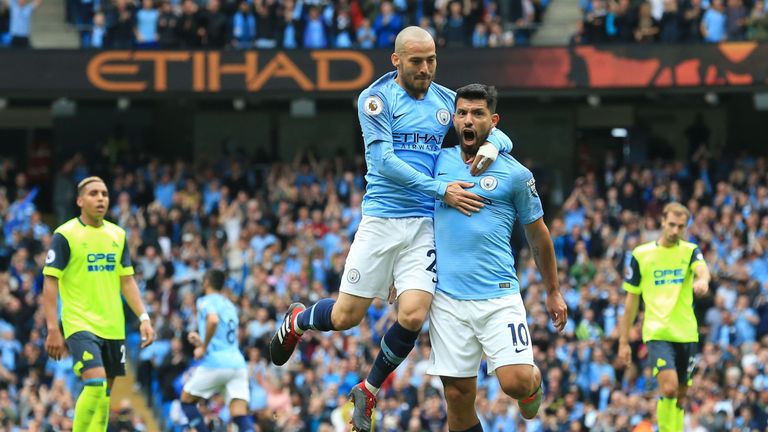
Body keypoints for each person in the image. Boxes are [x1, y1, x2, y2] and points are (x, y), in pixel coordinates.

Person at [269, 26, 513, 432]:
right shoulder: (376, 99)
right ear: (396, 60)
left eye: (431, 60)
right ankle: (298, 319)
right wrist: (442, 188)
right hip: (381, 220)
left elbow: (489, 127)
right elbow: (384, 165)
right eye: (417, 61)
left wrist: (492, 146)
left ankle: (368, 388)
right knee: (347, 316)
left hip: (424, 225)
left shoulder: (446, 101)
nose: (426, 68)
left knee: (414, 315)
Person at [427, 83, 568, 431]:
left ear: (494, 120)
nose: (468, 120)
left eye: (477, 113)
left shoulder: (516, 175)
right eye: (462, 113)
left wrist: (552, 290)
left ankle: (533, 385)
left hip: (498, 296)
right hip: (446, 299)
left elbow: (538, 235)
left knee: (515, 382)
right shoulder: (436, 163)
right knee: (458, 398)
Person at [42, 176, 155, 432]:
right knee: (94, 384)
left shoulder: (118, 235)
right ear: (80, 200)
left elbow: (127, 281)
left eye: (104, 193)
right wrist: (52, 328)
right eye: (93, 194)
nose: (101, 198)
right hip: (80, 323)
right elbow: (50, 283)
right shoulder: (65, 235)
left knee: (105, 396)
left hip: (114, 325)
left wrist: (144, 318)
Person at [618, 202, 710, 432]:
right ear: (662, 222)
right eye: (671, 224)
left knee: (680, 395)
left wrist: (703, 281)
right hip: (657, 331)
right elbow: (631, 300)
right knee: (668, 388)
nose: (675, 230)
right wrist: (623, 340)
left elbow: (702, 269)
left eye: (681, 226)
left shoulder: (690, 251)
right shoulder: (641, 254)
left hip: (686, 331)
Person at [179, 269, 254, 432]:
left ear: (206, 282)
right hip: (237, 364)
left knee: (186, 400)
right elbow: (224, 338)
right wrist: (201, 341)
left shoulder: (205, 301)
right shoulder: (229, 305)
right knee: (240, 415)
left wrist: (203, 347)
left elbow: (213, 320)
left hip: (216, 363)